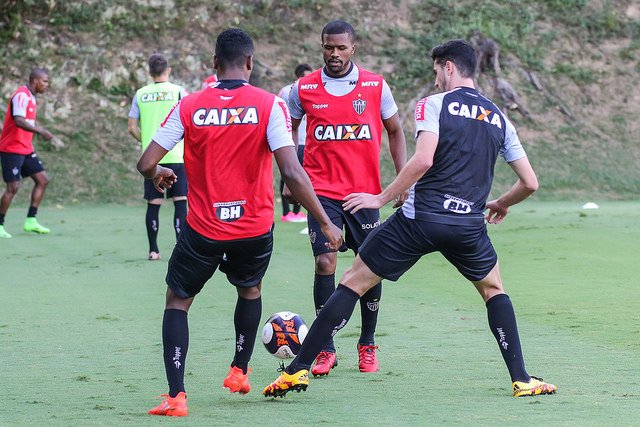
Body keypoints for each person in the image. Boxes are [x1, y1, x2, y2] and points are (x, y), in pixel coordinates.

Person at [263, 39, 557, 398]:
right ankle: (522, 379)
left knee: (353, 281)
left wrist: (382, 196)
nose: (435, 81)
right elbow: (530, 182)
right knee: (494, 290)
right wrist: (501, 202)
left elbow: (423, 160)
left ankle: (295, 372)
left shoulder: (433, 105)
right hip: (468, 226)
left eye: (436, 71)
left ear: (448, 67)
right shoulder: (499, 117)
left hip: (419, 220)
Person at [138, 28, 343, 417]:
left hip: (203, 229)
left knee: (178, 301)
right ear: (249, 62)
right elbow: (293, 173)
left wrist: (159, 173)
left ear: (215, 64)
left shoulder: (190, 105)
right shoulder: (270, 106)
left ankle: (177, 397)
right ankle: (239, 371)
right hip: (254, 228)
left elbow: (146, 163)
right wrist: (325, 222)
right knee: (249, 291)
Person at [284, 20, 407, 376]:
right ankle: (325, 348)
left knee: (370, 269)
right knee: (325, 263)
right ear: (321, 47)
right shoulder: (303, 89)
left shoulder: (375, 85)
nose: (334, 54)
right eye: (328, 47)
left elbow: (396, 131)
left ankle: (367, 344)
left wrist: (401, 183)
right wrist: (291, 170)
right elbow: (287, 127)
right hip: (321, 193)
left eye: (340, 48)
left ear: (353, 48)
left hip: (365, 196)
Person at [128, 53, 189, 260]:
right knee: (180, 202)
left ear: (150, 71)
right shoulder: (179, 91)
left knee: (153, 203)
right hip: (177, 154)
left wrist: (145, 141)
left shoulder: (140, 93)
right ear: (168, 70)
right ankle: (180, 250)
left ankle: (153, 251)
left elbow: (132, 127)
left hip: (152, 157)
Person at [0, 67, 63, 238]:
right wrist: (41, 131)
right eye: (45, 81)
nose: (47, 85)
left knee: (42, 180)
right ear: (35, 81)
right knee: (13, 187)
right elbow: (19, 121)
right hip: (12, 148)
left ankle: (30, 220)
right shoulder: (21, 95)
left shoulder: (32, 97)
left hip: (26, 148)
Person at [277, 63, 312, 223]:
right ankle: (286, 212)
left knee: (304, 176)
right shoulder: (286, 91)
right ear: (298, 76)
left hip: (308, 141)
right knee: (288, 174)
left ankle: (297, 211)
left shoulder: (313, 88)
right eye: (305, 76)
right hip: (291, 140)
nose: (308, 79)